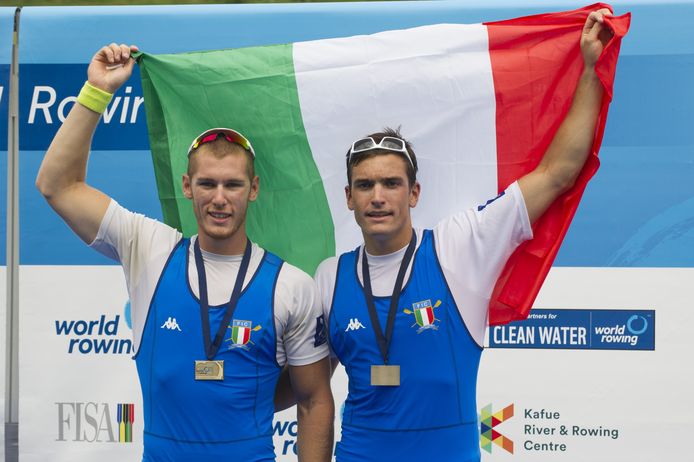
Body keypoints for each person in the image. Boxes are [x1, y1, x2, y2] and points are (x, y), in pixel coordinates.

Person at [310, 8, 613, 462]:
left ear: (414, 193)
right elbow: (310, 394)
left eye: (391, 183)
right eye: (365, 185)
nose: (378, 197)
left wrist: (590, 69)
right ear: (348, 197)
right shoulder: (330, 276)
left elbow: (557, 173)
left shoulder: (460, 247)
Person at [36, 44, 334, 461]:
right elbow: (58, 186)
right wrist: (96, 92)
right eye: (207, 184)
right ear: (187, 186)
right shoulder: (149, 248)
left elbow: (313, 400)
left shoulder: (291, 285)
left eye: (232, 185)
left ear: (253, 190)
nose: (219, 198)